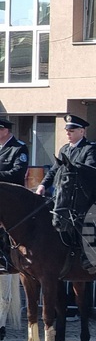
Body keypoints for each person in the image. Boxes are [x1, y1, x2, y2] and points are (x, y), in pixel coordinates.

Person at [36, 114, 96, 196]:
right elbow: (55, 169)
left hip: (78, 194)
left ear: (81, 131)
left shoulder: (90, 148)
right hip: (60, 191)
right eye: (67, 131)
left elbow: (88, 171)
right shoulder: (64, 149)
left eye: (71, 131)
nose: (68, 134)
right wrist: (43, 185)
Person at [0, 116, 29, 274]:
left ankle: (6, 258)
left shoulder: (18, 148)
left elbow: (17, 172)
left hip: (13, 198)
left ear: (5, 130)